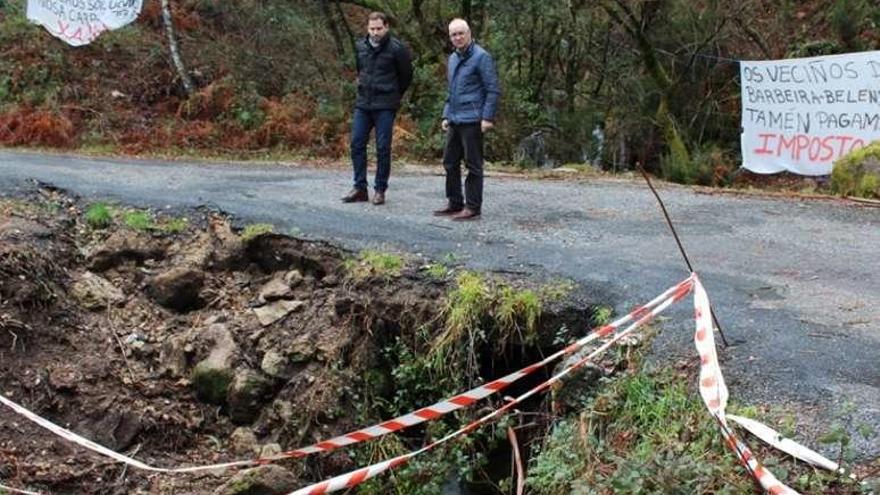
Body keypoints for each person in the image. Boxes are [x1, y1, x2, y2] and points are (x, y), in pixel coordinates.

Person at [342, 12, 413, 205]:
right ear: (367, 28)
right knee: (356, 143)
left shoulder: (397, 49)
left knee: (382, 148)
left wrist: (394, 95)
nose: (375, 33)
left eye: (379, 29)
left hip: (385, 105)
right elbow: (360, 70)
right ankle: (359, 188)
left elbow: (406, 76)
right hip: (363, 104)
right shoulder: (360, 47)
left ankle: (380, 189)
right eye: (372, 29)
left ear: (386, 27)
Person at [433, 18, 501, 221]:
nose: (458, 37)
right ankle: (455, 203)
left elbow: (493, 89)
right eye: (453, 34)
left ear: (469, 33)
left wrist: (487, 117)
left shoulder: (482, 57)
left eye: (461, 33)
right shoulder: (453, 58)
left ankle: (472, 207)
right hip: (455, 118)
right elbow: (451, 90)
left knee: (473, 164)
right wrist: (446, 114)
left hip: (473, 119)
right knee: (449, 162)